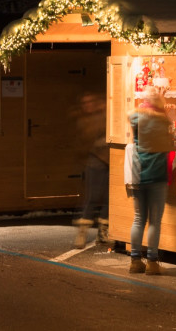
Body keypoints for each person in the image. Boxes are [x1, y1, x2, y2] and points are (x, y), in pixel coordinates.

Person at [128, 88, 174, 275]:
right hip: (157, 175)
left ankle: (135, 260)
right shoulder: (163, 121)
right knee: (155, 221)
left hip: (139, 174)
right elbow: (171, 144)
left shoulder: (135, 118)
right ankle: (152, 263)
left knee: (139, 219)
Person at [73, 91, 110, 248]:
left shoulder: (104, 115)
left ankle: (103, 232)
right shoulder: (83, 121)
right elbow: (86, 141)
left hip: (108, 160)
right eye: (84, 103)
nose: (87, 105)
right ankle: (82, 233)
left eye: (90, 102)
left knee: (109, 198)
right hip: (95, 161)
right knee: (92, 197)